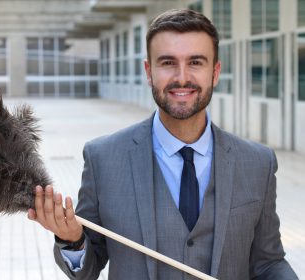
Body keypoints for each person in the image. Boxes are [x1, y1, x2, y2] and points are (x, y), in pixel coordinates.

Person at [28, 9, 298, 280]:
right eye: (168, 62)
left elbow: (268, 263)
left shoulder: (257, 163)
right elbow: (87, 270)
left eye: (195, 62)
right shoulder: (103, 159)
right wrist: (72, 240)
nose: (182, 77)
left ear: (215, 72)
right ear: (149, 71)